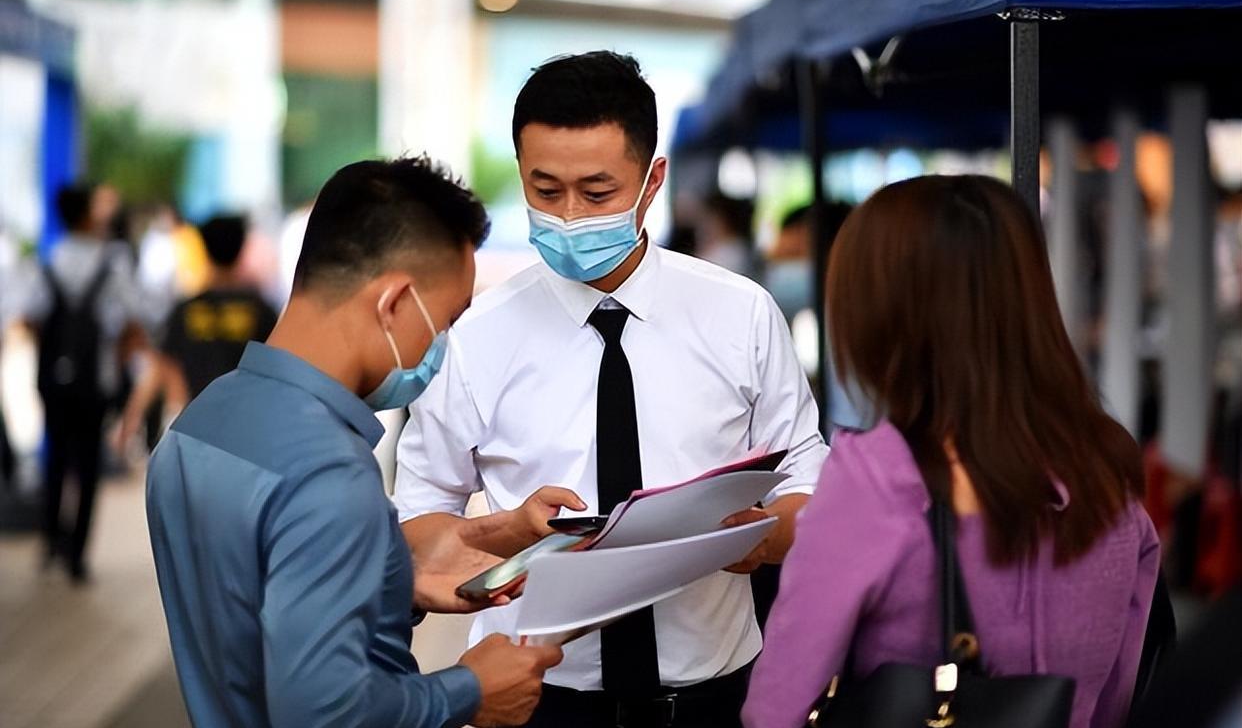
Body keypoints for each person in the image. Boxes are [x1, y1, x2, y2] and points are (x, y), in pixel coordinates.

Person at [395, 51, 828, 728]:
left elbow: (810, 480)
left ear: (653, 179)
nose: (568, 215)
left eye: (597, 193)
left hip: (716, 694)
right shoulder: (474, 336)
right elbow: (418, 520)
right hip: (540, 697)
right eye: (544, 189)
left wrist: (763, 539)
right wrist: (509, 532)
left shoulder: (740, 313)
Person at [146, 157, 563, 728]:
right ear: (394, 304)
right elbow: (323, 711)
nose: (442, 345)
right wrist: (469, 690)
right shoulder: (329, 472)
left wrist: (394, 587)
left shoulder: (203, 420)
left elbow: (255, 607)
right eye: (447, 319)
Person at [742, 175, 1160, 728]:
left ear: (881, 315)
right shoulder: (1107, 470)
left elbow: (778, 706)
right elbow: (1122, 689)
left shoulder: (874, 477)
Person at [20, 182, 146, 581]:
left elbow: (30, 316)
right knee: (88, 461)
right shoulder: (113, 260)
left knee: (56, 455)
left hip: (54, 377)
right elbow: (135, 313)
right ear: (89, 214)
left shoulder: (49, 258)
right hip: (97, 377)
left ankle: (50, 541)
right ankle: (77, 554)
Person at [118, 213, 280, 446]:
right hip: (248, 430)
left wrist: (131, 416)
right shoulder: (261, 310)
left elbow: (163, 366)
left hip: (196, 428)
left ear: (204, 248)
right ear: (242, 248)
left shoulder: (186, 310)